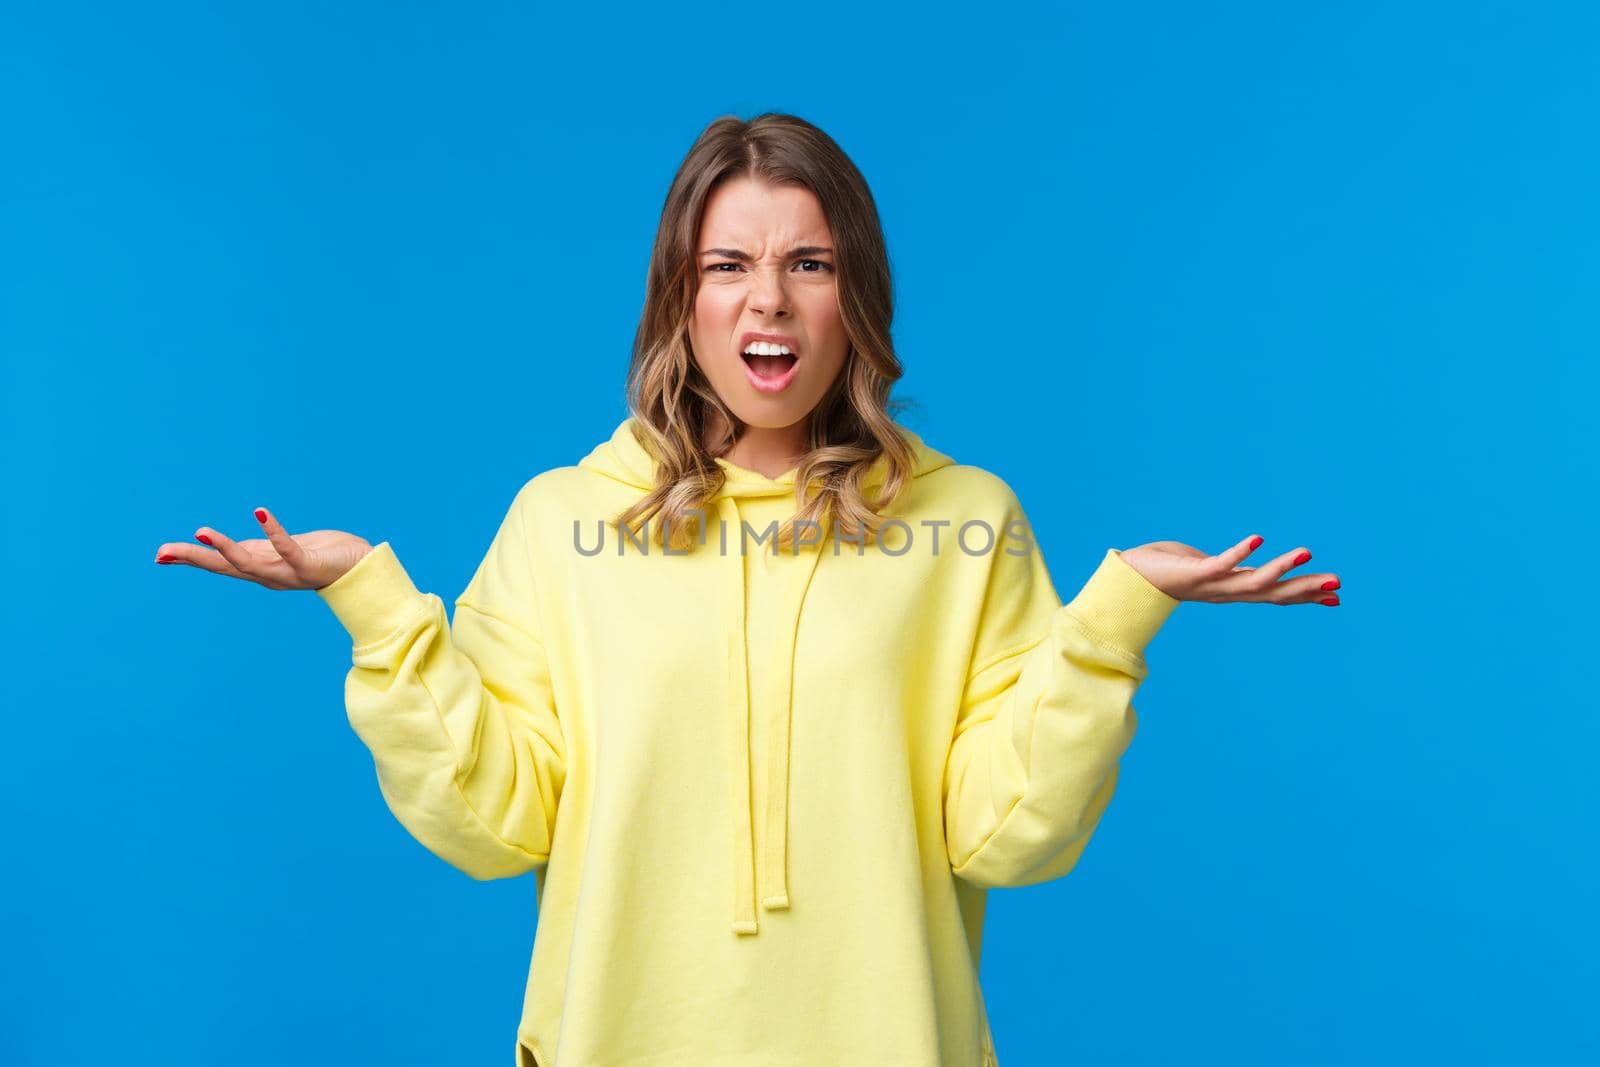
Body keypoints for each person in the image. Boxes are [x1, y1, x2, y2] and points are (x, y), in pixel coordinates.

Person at [155, 112, 1341, 1067]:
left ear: (853, 296)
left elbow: (1006, 834)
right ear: (683, 296)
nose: (767, 299)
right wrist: (369, 597)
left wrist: (1115, 615)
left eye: (807, 264)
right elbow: (493, 819)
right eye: (728, 265)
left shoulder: (966, 522)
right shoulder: (561, 520)